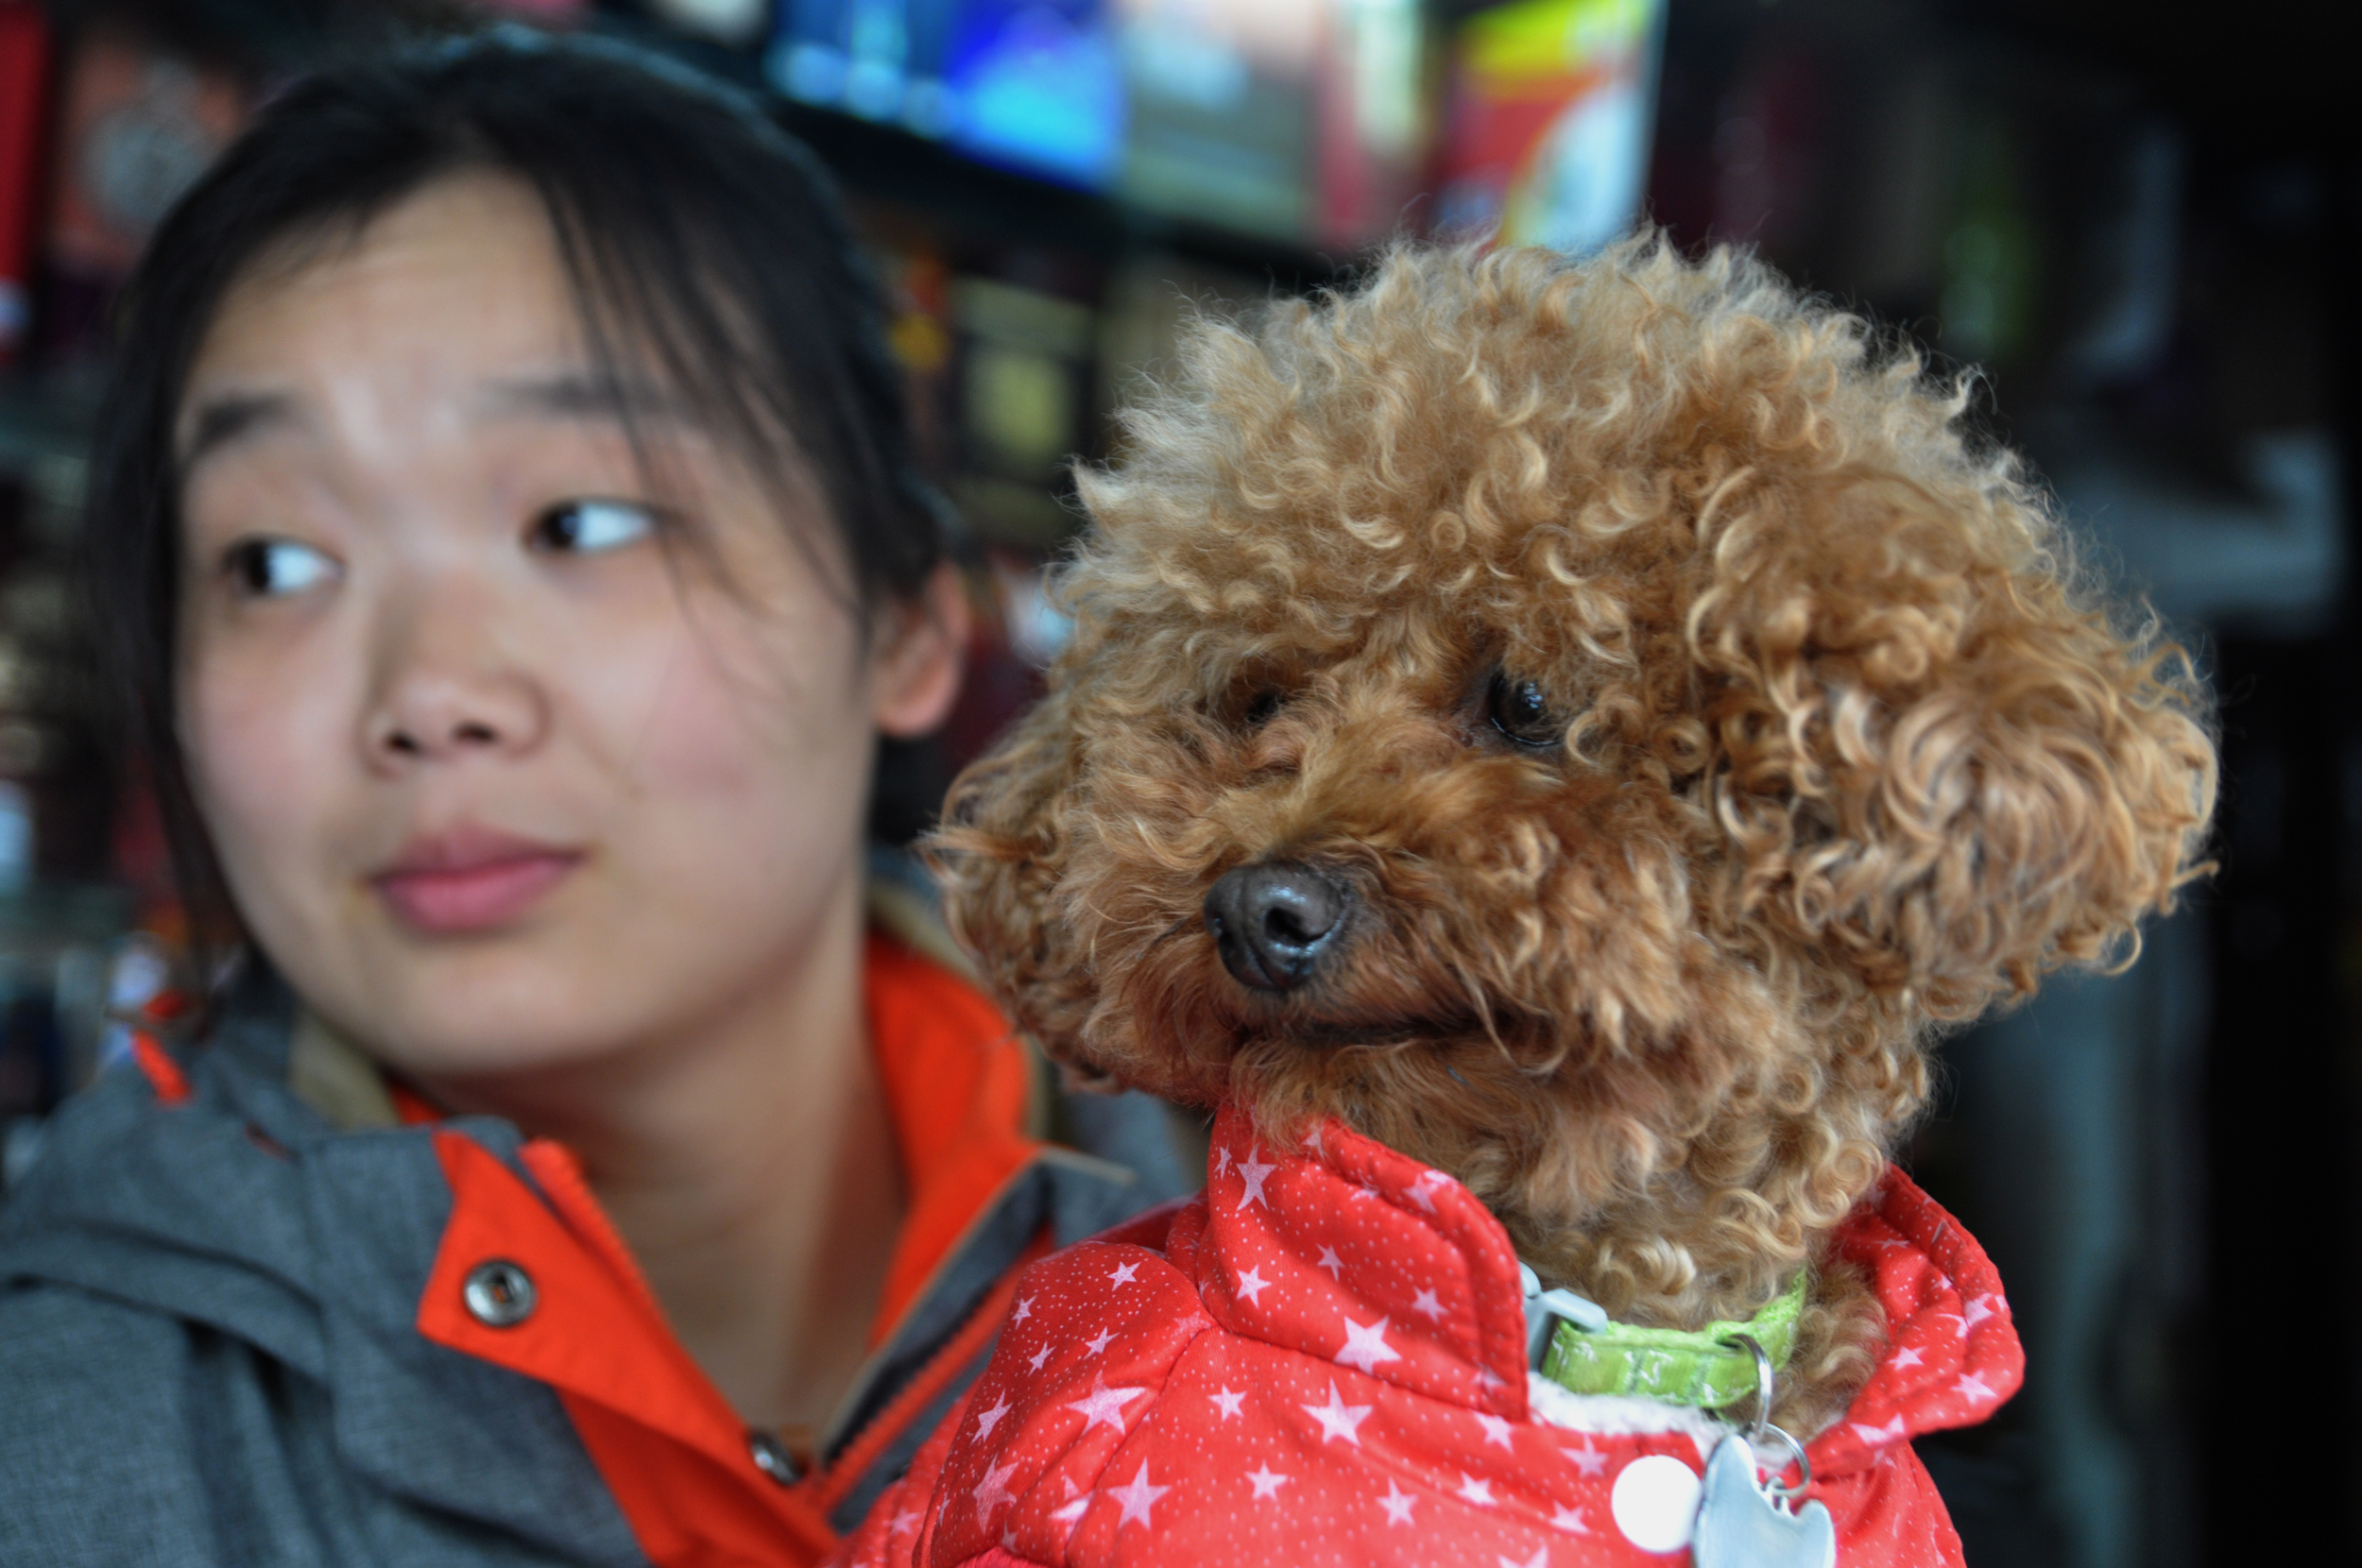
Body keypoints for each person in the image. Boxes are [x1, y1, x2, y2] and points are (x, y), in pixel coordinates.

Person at [0, 31, 1183, 1568]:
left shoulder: (1316, 1255)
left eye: (582, 520)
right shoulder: (62, 1446)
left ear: (900, 620)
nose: (429, 695)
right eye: (273, 564)